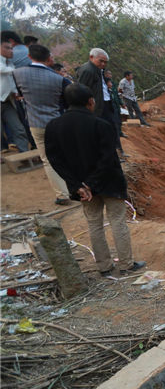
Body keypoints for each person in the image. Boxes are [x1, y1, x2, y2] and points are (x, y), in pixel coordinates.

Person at [44, 83, 145, 275]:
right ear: (91, 102)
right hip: (109, 182)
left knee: (94, 223)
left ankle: (104, 267)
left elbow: (55, 160)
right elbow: (108, 158)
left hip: (82, 188)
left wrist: (77, 185)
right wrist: (92, 182)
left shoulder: (53, 127)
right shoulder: (101, 125)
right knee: (117, 221)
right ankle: (126, 264)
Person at [12, 44, 71, 204]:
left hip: (36, 123)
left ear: (30, 57)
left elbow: (19, 93)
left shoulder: (18, 74)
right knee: (65, 155)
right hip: (57, 122)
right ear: (49, 58)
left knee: (47, 159)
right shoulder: (60, 79)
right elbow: (67, 103)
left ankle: (62, 195)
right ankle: (74, 188)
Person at [75, 48, 122, 151]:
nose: (103, 64)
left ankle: (116, 151)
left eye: (105, 62)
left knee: (112, 127)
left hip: (105, 103)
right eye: (101, 61)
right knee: (101, 130)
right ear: (91, 57)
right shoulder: (87, 70)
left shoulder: (98, 69)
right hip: (96, 107)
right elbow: (81, 90)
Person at [1, 38, 30, 153]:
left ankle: (26, 156)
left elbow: (10, 80)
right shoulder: (6, 66)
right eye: (7, 48)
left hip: (7, 101)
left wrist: (14, 92)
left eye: (11, 48)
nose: (11, 51)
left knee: (19, 129)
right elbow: (3, 70)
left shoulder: (10, 63)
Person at [104, 70, 126, 139]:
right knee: (114, 121)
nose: (110, 75)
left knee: (119, 120)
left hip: (116, 104)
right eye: (108, 74)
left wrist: (121, 103)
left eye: (111, 74)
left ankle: (120, 132)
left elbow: (116, 94)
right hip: (111, 105)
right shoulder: (104, 85)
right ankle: (115, 134)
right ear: (105, 75)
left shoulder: (112, 83)